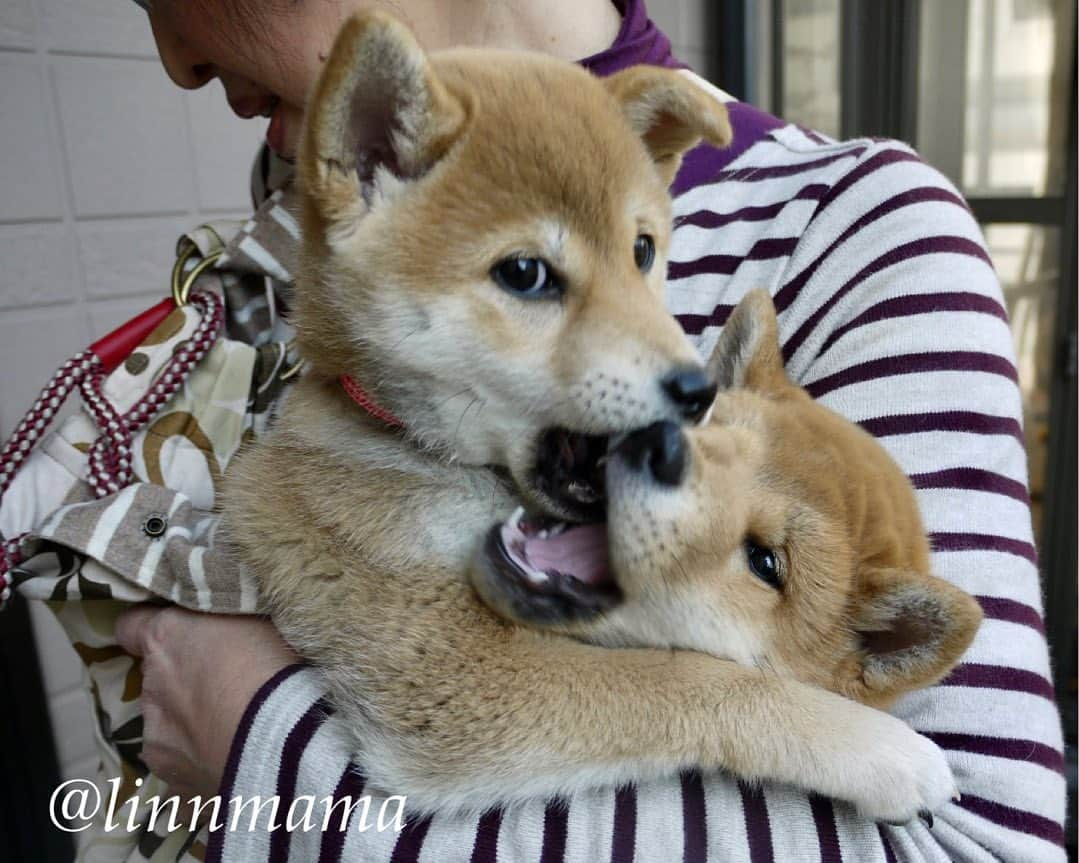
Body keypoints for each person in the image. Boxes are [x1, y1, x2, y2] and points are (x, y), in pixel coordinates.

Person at [112, 0, 1066, 860]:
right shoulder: (322, 211)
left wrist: (255, 742)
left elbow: (980, 843)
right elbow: (449, 694)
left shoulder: (863, 232)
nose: (175, 58)